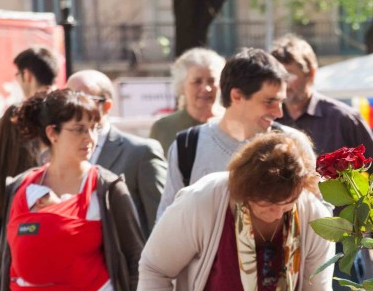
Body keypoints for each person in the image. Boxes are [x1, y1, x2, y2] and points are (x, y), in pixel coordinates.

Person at [138, 132, 334, 291]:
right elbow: (154, 268)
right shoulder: (202, 200)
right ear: (243, 189)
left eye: (287, 205)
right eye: (266, 205)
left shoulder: (312, 215)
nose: (276, 215)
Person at [0, 89, 146, 291]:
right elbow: (7, 257)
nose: (89, 137)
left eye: (94, 127)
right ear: (52, 133)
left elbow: (135, 258)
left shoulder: (106, 188)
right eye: (79, 129)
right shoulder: (19, 186)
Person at [272, 34, 373, 291]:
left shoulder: (341, 117)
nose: (287, 84)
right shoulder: (269, 122)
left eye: (292, 74)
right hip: (282, 238)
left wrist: (367, 227)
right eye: (280, 75)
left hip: (339, 239)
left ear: (311, 73)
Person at [157, 48, 303, 220]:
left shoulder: (294, 144)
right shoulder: (187, 147)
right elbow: (167, 219)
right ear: (237, 96)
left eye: (280, 102)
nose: (279, 112)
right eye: (269, 101)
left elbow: (319, 218)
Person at [66, 70, 167, 239]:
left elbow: (161, 220)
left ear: (106, 107)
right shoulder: (58, 152)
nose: (72, 107)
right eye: (67, 98)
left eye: (82, 99)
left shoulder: (140, 153)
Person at [0, 47, 60, 224]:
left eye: (17, 75)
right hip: (64, 212)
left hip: (17, 215)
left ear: (27, 75)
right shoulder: (71, 111)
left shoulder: (15, 116)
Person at [149, 48, 225, 154]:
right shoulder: (163, 128)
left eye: (211, 81)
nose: (206, 88)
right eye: (197, 82)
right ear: (182, 86)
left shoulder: (233, 123)